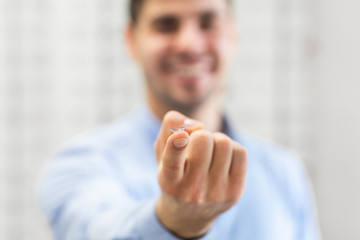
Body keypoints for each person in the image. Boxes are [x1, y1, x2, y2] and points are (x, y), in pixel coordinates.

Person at [38, 0, 321, 239]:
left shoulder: (286, 172)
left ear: (232, 35)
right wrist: (175, 220)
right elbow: (99, 229)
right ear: (131, 40)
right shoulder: (80, 165)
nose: (189, 44)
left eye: (208, 23)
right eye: (166, 25)